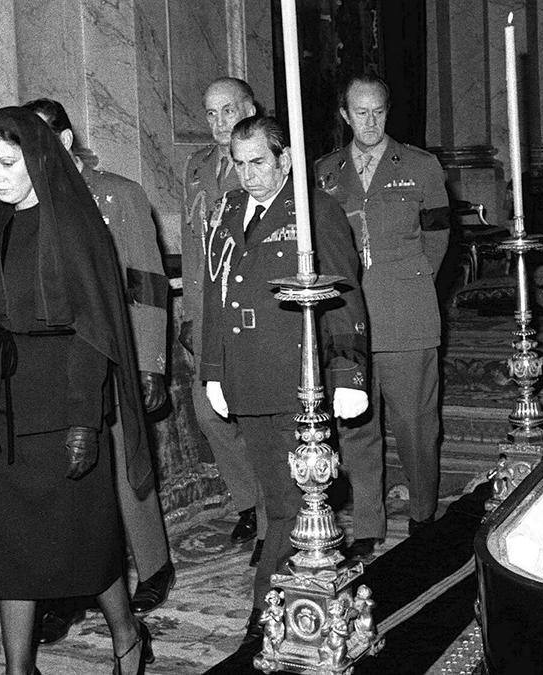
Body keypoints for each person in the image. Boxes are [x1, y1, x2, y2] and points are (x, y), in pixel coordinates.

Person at [0, 106, 152, 675]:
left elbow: (94, 330)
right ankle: (20, 667)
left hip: (64, 399)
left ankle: (127, 635)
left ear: (37, 157)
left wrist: (81, 420)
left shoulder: (72, 222)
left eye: (7, 162)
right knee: (7, 543)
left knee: (82, 544)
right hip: (6, 400)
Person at [199, 115, 370, 643]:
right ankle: (298, 599)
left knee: (291, 503)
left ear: (285, 159)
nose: (247, 175)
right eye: (239, 163)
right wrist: (212, 370)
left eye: (258, 163)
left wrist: (348, 373)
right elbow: (215, 293)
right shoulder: (228, 210)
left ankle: (270, 609)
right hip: (247, 378)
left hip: (300, 377)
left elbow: (344, 294)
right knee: (281, 499)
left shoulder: (316, 212)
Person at [21, 98, 175, 632]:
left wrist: (151, 361)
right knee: (70, 474)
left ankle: (153, 563)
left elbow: (147, 282)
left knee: (125, 459)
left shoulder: (117, 195)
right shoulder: (29, 203)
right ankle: (70, 585)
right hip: (57, 359)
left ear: (64, 141)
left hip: (119, 350)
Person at [315, 74, 450, 562]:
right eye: (360, 113)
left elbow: (437, 237)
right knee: (355, 424)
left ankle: (423, 514)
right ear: (345, 116)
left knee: (416, 423)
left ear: (387, 112)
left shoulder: (420, 166)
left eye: (379, 112)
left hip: (407, 314)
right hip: (344, 318)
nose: (370, 122)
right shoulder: (325, 173)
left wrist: (409, 283)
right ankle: (368, 524)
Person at [181, 77, 263, 559]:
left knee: (258, 414)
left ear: (249, 109)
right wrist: (192, 314)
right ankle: (249, 501)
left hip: (251, 314)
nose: (217, 124)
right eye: (210, 114)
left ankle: (276, 513)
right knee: (209, 413)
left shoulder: (262, 164)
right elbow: (194, 248)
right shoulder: (197, 167)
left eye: (227, 112)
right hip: (208, 314)